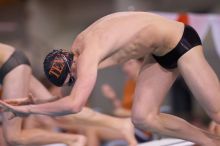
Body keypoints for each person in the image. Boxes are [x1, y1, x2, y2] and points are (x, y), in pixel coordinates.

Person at [1, 11, 220, 146]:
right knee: (143, 117)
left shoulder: (88, 53)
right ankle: (210, 142)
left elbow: (74, 105)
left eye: (73, 79)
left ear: (73, 65)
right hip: (158, 54)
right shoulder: (78, 52)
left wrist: (29, 111)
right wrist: (35, 102)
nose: (77, 81)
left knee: (216, 113)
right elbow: (67, 102)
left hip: (181, 40)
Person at [0, 43, 137, 146]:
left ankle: (72, 139)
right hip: (13, 60)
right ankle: (119, 123)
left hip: (8, 65)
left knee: (13, 137)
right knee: (57, 110)